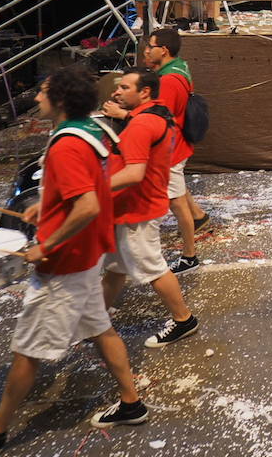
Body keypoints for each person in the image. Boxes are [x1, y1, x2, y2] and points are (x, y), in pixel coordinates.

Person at [0, 66, 147, 456]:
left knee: (26, 352)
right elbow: (84, 188)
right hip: (86, 256)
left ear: (59, 99)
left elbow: (88, 204)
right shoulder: (90, 129)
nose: (35, 98)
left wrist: (46, 244)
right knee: (101, 328)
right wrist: (45, 208)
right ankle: (131, 402)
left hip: (64, 263)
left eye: (42, 92)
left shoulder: (66, 144)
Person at [99, 68, 200, 347]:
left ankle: (184, 320)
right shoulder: (154, 113)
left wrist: (93, 190)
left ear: (144, 92)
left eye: (125, 88)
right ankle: (93, 318)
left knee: (153, 268)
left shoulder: (142, 124)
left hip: (138, 208)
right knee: (116, 267)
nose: (117, 91)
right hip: (134, 205)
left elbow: (133, 173)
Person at [143, 29, 210, 274]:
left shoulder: (168, 81)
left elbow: (161, 117)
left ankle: (189, 256)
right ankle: (199, 216)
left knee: (176, 200)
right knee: (178, 189)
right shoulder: (179, 66)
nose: (147, 50)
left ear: (164, 50)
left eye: (151, 46)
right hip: (178, 144)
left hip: (170, 149)